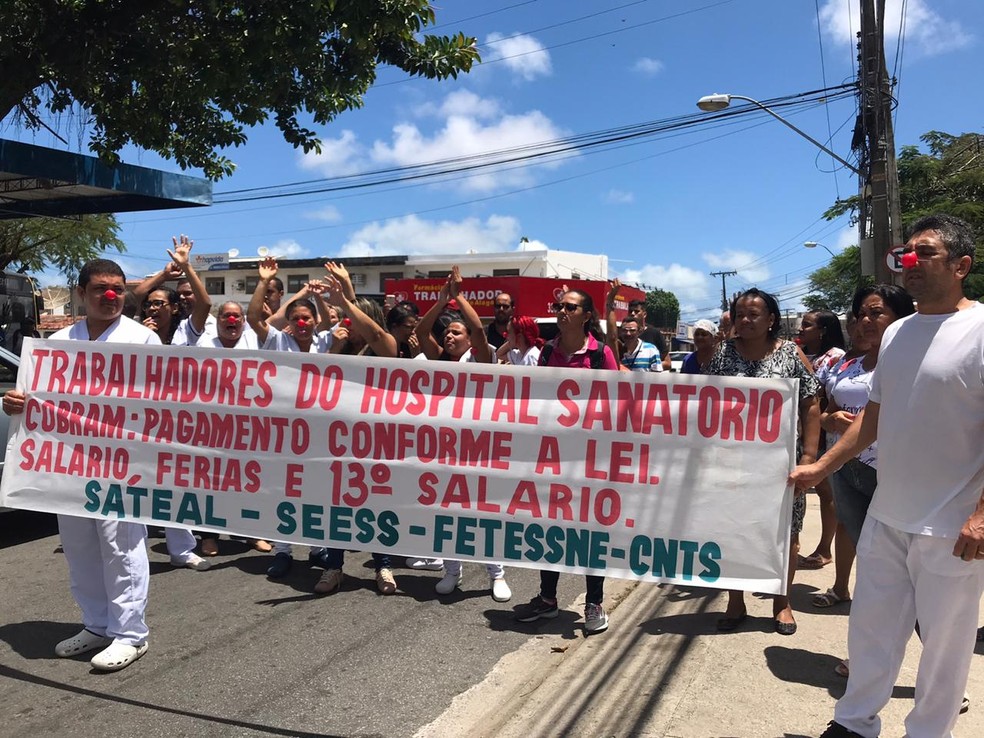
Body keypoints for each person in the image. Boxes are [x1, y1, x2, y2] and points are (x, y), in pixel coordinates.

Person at [790, 214, 984, 738]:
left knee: (945, 645)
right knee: (870, 630)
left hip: (951, 526)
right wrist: (822, 466)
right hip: (888, 513)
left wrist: (982, 516)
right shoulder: (897, 332)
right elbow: (872, 418)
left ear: (961, 266)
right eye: (907, 253)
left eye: (926, 253)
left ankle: (929, 731)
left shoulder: (981, 330)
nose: (911, 262)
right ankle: (854, 723)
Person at [3, 259, 158, 671]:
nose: (111, 296)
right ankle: (98, 624)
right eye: (101, 289)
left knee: (121, 546)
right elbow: (36, 396)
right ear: (81, 293)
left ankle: (130, 633)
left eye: (118, 289)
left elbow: (164, 401)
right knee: (79, 547)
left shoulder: (142, 339)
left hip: (122, 463)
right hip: (69, 464)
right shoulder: (57, 343)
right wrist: (17, 403)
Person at [811, 285, 915, 687]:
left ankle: (941, 673)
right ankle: (868, 660)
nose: (865, 321)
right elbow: (824, 408)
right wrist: (831, 420)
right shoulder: (848, 363)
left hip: (891, 476)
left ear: (901, 318)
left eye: (877, 313)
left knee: (908, 576)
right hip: (847, 472)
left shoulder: (912, 363)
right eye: (860, 314)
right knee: (873, 570)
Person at [707, 288, 820, 636]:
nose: (745, 320)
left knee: (786, 534)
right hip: (732, 464)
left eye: (753, 314)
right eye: (740, 314)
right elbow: (704, 401)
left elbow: (811, 404)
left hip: (781, 466)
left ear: (771, 319)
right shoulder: (723, 354)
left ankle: (781, 602)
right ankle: (735, 601)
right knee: (732, 531)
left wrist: (809, 456)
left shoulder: (790, 354)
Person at [515, 288, 618, 634]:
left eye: (570, 307)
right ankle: (547, 598)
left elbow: (618, 400)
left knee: (590, 532)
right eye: (559, 306)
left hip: (590, 459)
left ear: (586, 316)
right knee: (551, 527)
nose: (562, 311)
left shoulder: (601, 354)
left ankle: (594, 602)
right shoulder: (547, 352)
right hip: (553, 456)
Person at [413, 268, 512, 601]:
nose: (448, 337)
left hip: (480, 448)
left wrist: (459, 297)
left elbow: (480, 331)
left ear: (469, 340)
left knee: (484, 512)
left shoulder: (480, 358)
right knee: (447, 513)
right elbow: (421, 330)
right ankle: (451, 571)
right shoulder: (441, 361)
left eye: (456, 332)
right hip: (445, 448)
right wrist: (441, 302)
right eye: (446, 333)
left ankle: (496, 574)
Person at [247, 257, 334, 582]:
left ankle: (317, 548)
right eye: (295, 318)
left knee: (317, 490)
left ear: (314, 321)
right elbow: (253, 318)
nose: (300, 322)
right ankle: (282, 550)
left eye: (306, 318)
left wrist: (320, 297)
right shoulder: (277, 340)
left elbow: (330, 322)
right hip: (282, 430)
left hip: (318, 430)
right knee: (282, 489)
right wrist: (263, 281)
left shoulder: (324, 342)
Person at [136, 237, 213, 571]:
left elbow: (205, 303)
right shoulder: (135, 333)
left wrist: (185, 267)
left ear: (173, 307)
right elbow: (135, 296)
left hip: (175, 420)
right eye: (150, 305)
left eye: (160, 304)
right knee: (138, 481)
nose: (153, 309)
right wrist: (163, 275)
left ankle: (181, 549)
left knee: (175, 482)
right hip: (139, 418)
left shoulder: (185, 332)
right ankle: (135, 547)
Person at [195, 301, 270, 556]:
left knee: (249, 481)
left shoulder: (254, 341)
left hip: (249, 425)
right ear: (218, 321)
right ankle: (209, 536)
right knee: (211, 482)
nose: (232, 320)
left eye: (237, 316)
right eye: (226, 315)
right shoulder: (205, 344)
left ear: (243, 321)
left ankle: (252, 533)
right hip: (213, 425)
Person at [797, 310, 847, 571]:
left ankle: (825, 548)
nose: (801, 329)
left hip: (822, 433)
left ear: (823, 330)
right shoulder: (805, 354)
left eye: (807, 325)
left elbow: (826, 393)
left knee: (826, 491)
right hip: (798, 432)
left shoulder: (835, 356)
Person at [627, 300, 671, 371]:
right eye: (630, 311)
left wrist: (646, 366)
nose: (632, 314)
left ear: (644, 314)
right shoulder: (624, 334)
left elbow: (668, 363)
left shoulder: (654, 333)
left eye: (636, 311)